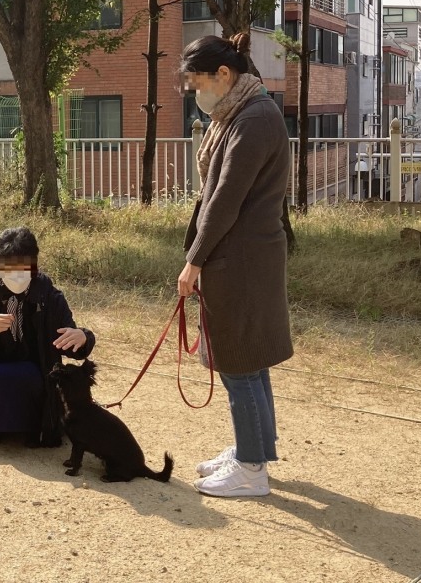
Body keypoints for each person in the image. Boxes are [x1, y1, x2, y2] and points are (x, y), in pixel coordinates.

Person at [177, 33, 294, 497]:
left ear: (224, 75)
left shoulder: (254, 119)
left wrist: (193, 261)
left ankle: (250, 470)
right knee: (251, 357)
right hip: (244, 253)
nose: (194, 92)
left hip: (240, 256)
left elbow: (224, 201)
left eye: (197, 83)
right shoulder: (243, 112)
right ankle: (255, 448)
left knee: (237, 361)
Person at [0, 227, 95, 447]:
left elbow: (67, 343)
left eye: (24, 268)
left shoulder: (49, 295)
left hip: (37, 376)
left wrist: (83, 337)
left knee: (30, 377)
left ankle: (29, 426)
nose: (17, 275)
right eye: (8, 268)